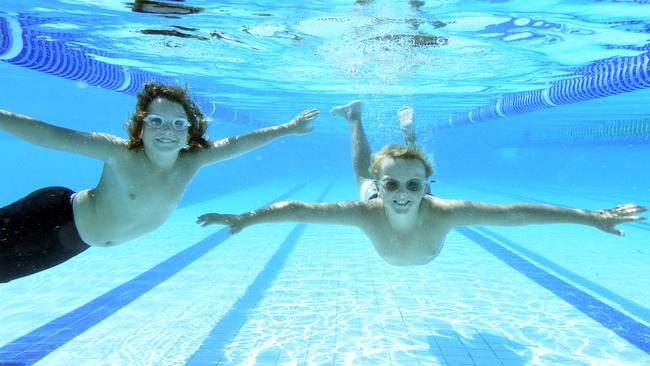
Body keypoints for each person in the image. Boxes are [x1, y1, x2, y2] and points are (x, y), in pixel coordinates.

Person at [197, 100, 646, 266]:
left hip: (418, 194)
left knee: (404, 164)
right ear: (383, 185)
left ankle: (409, 138)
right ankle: (355, 117)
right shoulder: (369, 206)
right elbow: (295, 210)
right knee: (360, 176)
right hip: (379, 191)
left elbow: (516, 215)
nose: (403, 197)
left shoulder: (441, 209)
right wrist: (247, 218)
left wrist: (591, 218)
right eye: (392, 186)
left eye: (413, 187)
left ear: (427, 187)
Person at [0, 81, 319, 282]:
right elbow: (48, 135)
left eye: (178, 123)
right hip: (51, 218)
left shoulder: (192, 160)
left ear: (189, 133)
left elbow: (237, 143)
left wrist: (286, 128)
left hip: (72, 242)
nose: (167, 130)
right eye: (156, 121)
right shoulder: (120, 153)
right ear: (140, 128)